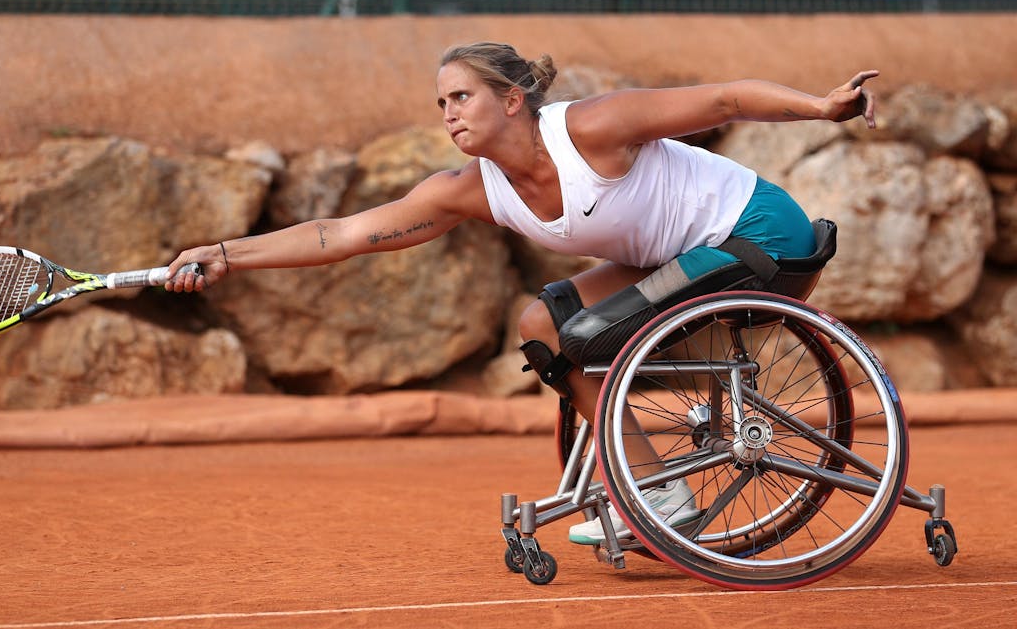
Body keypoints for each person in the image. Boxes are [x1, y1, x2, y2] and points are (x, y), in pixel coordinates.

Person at [164, 41, 878, 545]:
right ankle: (659, 485)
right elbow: (341, 234)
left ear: (513, 99)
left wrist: (821, 107)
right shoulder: (469, 191)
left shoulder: (592, 129)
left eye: (462, 96)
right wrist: (227, 254)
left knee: (588, 332)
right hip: (688, 258)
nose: (448, 112)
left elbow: (722, 99)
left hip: (761, 237)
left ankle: (650, 491)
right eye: (441, 101)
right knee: (542, 324)